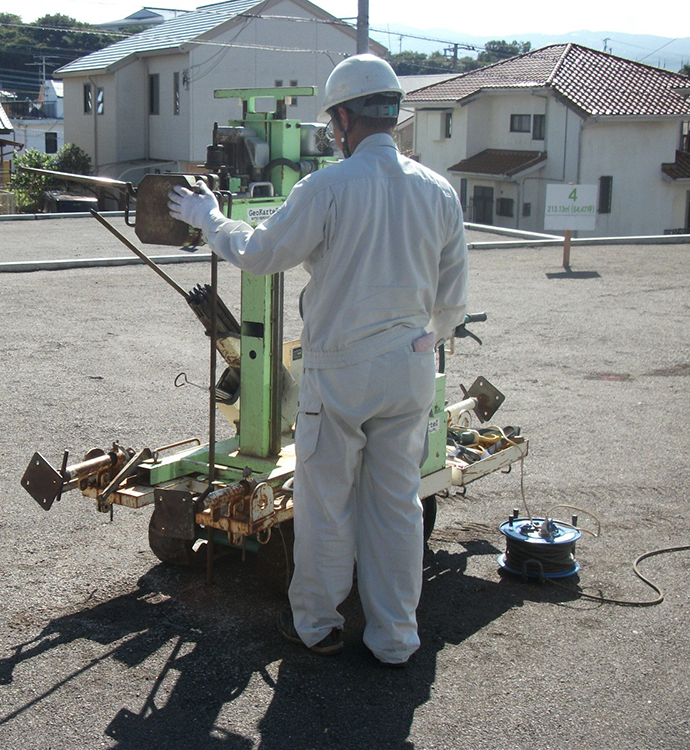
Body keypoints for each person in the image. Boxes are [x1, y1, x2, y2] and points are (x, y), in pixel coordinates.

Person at [168, 54, 468, 666]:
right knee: (396, 507)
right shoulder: (438, 190)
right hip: (410, 367)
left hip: (340, 371)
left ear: (342, 119)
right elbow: (452, 301)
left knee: (327, 502)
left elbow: (262, 254)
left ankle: (316, 627)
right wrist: (421, 340)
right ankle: (394, 639)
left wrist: (208, 219)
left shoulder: (327, 187)